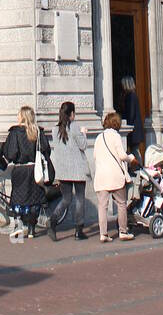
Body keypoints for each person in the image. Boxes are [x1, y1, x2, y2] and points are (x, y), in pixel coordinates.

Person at [2, 105, 51, 243]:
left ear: (22, 116)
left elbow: (10, 153)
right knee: (34, 199)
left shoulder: (15, 132)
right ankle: (31, 229)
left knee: (19, 199)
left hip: (20, 170)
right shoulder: (38, 132)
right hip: (35, 170)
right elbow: (46, 149)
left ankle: (20, 226)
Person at [93, 111, 135, 242]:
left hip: (101, 176)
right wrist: (131, 158)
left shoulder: (99, 137)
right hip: (115, 175)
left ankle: (103, 234)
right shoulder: (115, 136)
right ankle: (123, 231)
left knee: (102, 206)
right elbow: (122, 155)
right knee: (122, 204)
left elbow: (95, 156)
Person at [49, 101, 89, 240]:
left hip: (63, 170)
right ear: (72, 113)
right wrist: (84, 133)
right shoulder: (75, 126)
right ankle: (78, 230)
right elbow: (83, 145)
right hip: (77, 169)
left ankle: (53, 221)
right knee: (79, 199)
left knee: (66, 199)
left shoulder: (55, 130)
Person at [120, 76, 145, 160]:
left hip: (133, 130)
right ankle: (136, 168)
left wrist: (126, 125)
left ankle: (139, 168)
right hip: (135, 129)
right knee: (134, 150)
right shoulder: (132, 95)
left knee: (135, 150)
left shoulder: (131, 96)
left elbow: (131, 113)